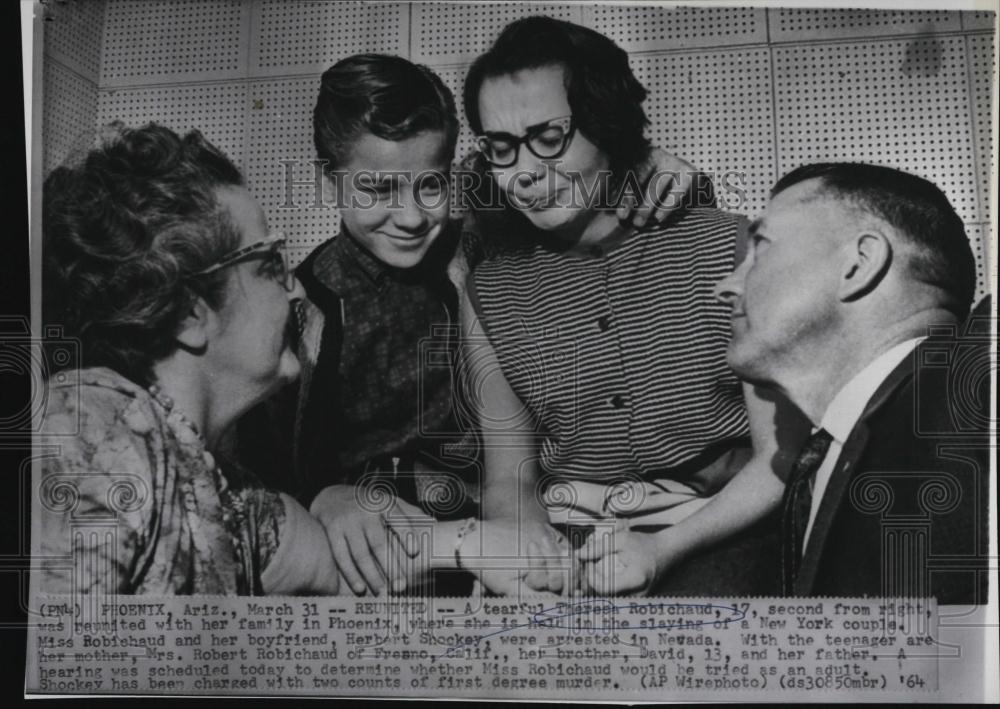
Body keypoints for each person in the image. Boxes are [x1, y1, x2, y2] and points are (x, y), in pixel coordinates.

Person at [241, 53, 701, 597]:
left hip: (525, 521)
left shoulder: (487, 232)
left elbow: (581, 188)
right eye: (380, 191)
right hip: (379, 553)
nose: (412, 217)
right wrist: (323, 497)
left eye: (431, 186)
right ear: (329, 181)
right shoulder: (299, 307)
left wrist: (645, 165)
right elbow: (254, 479)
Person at [461, 16, 808, 596]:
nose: (522, 173)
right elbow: (508, 480)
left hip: (714, 524)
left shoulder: (729, 246)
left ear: (606, 123)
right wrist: (531, 561)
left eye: (549, 138)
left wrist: (660, 548)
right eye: (501, 147)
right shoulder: (490, 288)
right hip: (565, 525)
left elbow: (782, 458)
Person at [37, 123, 340, 595]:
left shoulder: (224, 493)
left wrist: (344, 502)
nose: (297, 289)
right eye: (271, 264)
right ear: (188, 315)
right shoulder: (92, 429)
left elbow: (333, 564)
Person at [715, 162, 990, 603]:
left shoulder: (975, 389)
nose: (725, 286)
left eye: (761, 245)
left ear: (858, 264)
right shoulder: (826, 464)